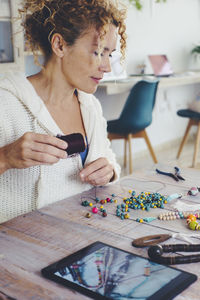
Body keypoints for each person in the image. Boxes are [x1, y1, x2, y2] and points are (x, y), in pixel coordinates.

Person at [0, 0, 127, 223]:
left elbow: (109, 159)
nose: (106, 67)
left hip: (80, 237)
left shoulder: (90, 106)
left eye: (110, 54)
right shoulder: (6, 103)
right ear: (59, 45)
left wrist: (109, 172)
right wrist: (4, 158)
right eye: (98, 52)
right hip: (17, 248)